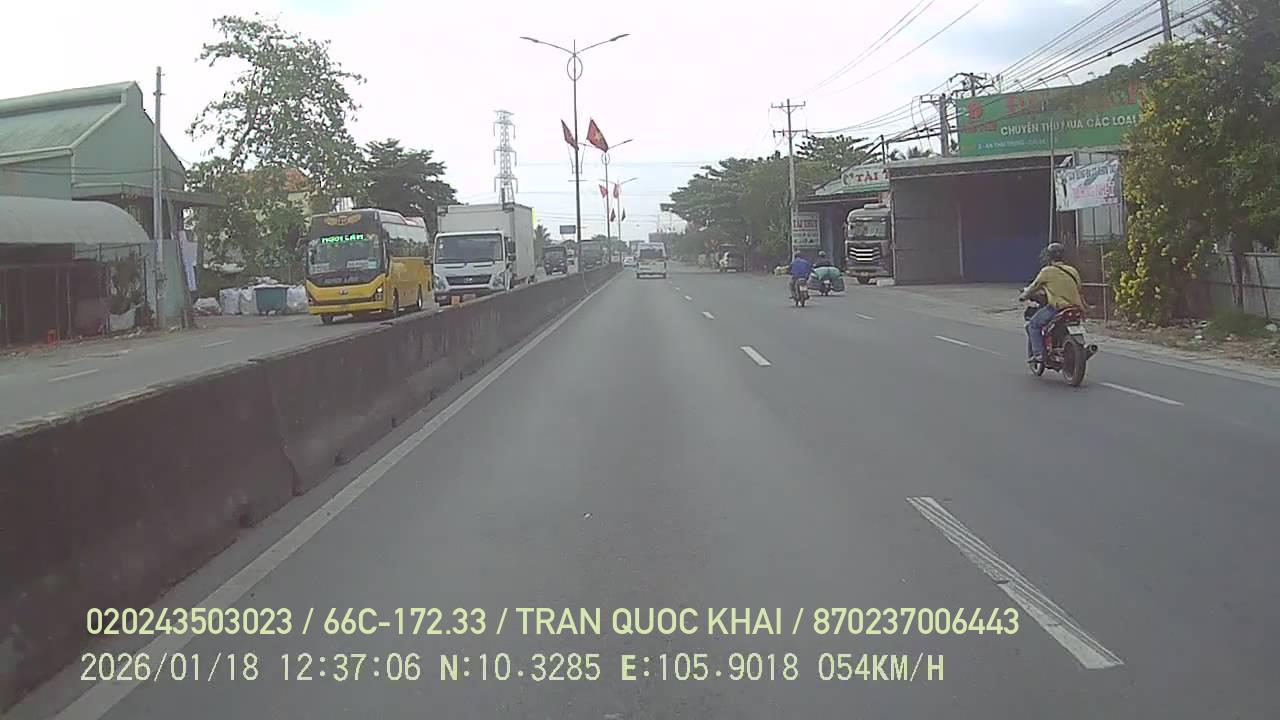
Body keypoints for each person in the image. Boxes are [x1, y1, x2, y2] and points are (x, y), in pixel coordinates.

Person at [1020, 242, 1084, 362]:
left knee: (1033, 325)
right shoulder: (1072, 270)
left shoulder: (1047, 271)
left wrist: (1023, 296)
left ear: (1049, 257)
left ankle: (1038, 354)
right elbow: (1079, 287)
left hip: (1057, 307)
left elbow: (1034, 286)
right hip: (1075, 307)